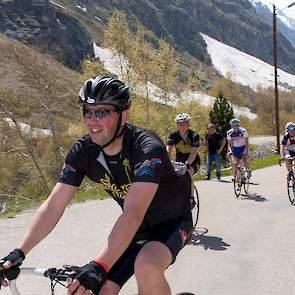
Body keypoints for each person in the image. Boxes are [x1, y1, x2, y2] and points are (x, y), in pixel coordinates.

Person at [0, 76, 193, 295]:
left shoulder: (148, 148)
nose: (92, 120)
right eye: (88, 112)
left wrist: (99, 265)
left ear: (124, 115)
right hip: (136, 230)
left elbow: (133, 214)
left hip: (172, 222)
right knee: (100, 290)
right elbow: (54, 206)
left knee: (146, 266)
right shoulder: (83, 152)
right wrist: (19, 252)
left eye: (102, 112)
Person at [166, 113, 200, 177]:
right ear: (177, 125)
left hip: (193, 161)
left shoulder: (194, 136)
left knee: (188, 174)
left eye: (184, 124)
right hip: (179, 160)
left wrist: (187, 164)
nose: (182, 126)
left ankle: (190, 187)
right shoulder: (173, 135)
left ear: (188, 124)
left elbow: (194, 153)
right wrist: (166, 161)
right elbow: (168, 150)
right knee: (176, 179)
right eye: (180, 124)